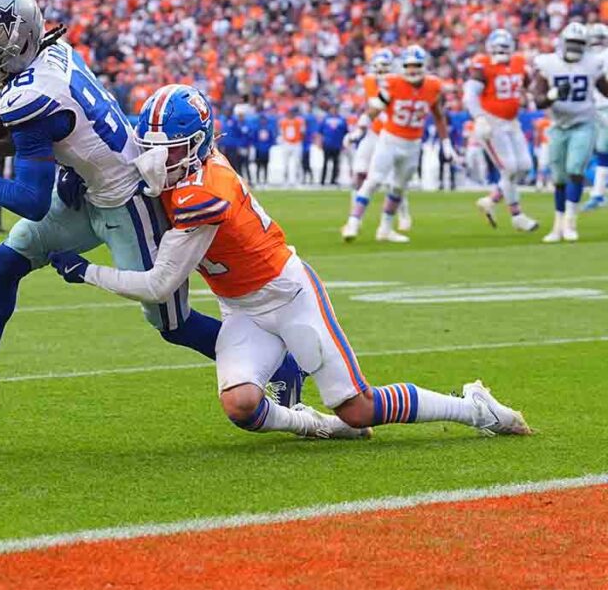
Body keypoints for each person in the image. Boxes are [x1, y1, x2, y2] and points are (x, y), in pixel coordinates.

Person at [49, 84, 530, 440]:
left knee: (358, 408)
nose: (154, 159)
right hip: (240, 309)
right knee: (240, 405)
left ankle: (472, 408)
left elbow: (159, 285)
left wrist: (86, 271)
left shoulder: (205, 190)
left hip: (287, 294)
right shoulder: (184, 168)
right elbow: (127, 171)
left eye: (166, 149)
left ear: (194, 146)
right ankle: (315, 425)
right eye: (150, 146)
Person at [0, 0, 301, 416]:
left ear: (18, 43)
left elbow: (30, 200)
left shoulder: (28, 96)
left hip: (127, 203)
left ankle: (284, 368)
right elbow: (58, 134)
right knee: (3, 263)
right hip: (89, 188)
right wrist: (26, 159)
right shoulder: (55, 53)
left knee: (172, 324)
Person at [341, 45, 457, 243]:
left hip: (413, 144)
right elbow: (375, 108)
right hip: (390, 139)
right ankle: (353, 222)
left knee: (398, 188)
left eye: (416, 65)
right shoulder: (393, 83)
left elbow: (438, 116)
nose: (412, 70)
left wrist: (447, 144)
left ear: (424, 66)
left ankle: (385, 229)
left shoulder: (432, 86)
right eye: (409, 66)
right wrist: (360, 129)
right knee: (373, 180)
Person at [531, 22, 608, 242]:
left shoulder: (592, 63)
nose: (575, 47)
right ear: (563, 43)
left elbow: (605, 89)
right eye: (572, 43)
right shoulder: (548, 63)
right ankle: (557, 225)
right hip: (558, 125)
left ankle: (570, 222)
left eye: (579, 44)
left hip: (584, 122)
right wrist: (552, 95)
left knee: (575, 169)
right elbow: (538, 101)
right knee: (559, 178)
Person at [467, 29, 539, 231]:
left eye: (504, 47)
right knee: (509, 168)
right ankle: (517, 216)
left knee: (524, 166)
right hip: (491, 123)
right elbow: (469, 95)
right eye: (497, 48)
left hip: (512, 122)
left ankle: (490, 200)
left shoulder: (518, 63)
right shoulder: (483, 65)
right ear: (490, 48)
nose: (501, 51)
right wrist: (479, 118)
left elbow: (525, 84)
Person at [348, 49, 412, 230]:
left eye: (384, 66)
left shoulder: (397, 83)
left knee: (394, 181)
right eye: (377, 66)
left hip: (391, 136)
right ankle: (355, 218)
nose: (380, 70)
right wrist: (358, 130)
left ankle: (404, 214)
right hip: (373, 133)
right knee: (359, 173)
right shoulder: (369, 81)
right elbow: (370, 109)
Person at [582, 23, 608, 210]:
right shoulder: (589, 58)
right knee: (601, 153)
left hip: (600, 106)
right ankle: (598, 194)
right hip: (596, 107)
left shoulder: (588, 58)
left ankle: (598, 194)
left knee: (602, 152)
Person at [317, 104, 347, 186]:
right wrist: (319, 142)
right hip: (327, 144)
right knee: (325, 163)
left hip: (337, 144)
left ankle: (333, 180)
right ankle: (322, 180)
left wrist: (344, 144)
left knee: (336, 163)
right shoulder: (326, 119)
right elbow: (320, 132)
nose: (333, 110)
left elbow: (345, 133)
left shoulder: (342, 119)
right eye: (332, 108)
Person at [277, 108, 304, 187]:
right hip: (287, 143)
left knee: (297, 163)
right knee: (285, 163)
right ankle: (285, 180)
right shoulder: (283, 122)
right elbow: (281, 132)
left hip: (296, 143)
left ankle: (297, 180)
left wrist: (298, 141)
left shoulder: (298, 121)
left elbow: (302, 132)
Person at [252, 113, 273, 186]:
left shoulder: (269, 129)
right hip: (259, 149)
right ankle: (258, 180)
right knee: (258, 165)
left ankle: (265, 180)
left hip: (266, 150)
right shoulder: (257, 128)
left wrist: (268, 146)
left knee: (265, 165)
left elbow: (271, 139)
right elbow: (254, 139)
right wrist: (257, 146)